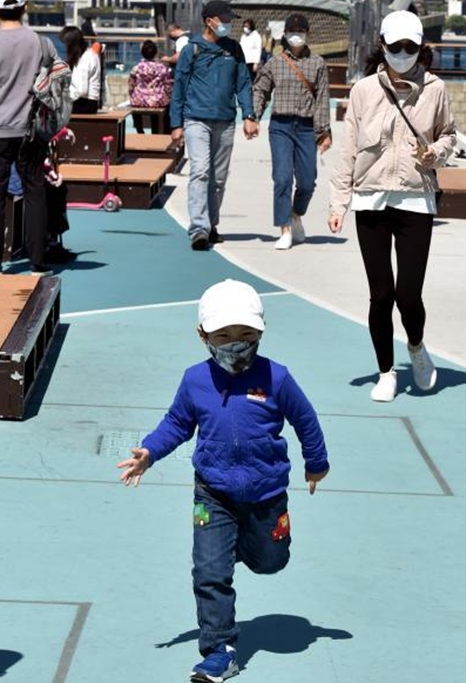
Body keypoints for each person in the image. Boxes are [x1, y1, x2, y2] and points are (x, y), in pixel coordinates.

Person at [117, 278, 329, 683]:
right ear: (203, 335)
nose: (236, 342)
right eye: (224, 335)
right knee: (209, 571)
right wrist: (149, 452)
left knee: (270, 561)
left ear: (261, 333)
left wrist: (316, 462)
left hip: (266, 494)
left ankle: (243, 544)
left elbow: (306, 420)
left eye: (247, 334)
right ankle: (219, 648)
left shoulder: (277, 378)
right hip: (212, 493)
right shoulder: (195, 380)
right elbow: (177, 423)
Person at [328, 10, 456, 402]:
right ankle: (386, 371)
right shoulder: (363, 90)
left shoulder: (435, 89)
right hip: (371, 199)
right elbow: (348, 150)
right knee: (380, 295)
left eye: (410, 47)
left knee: (408, 295)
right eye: (396, 46)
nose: (403, 53)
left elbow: (449, 135)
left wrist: (434, 153)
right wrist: (339, 202)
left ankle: (415, 346)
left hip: (416, 198)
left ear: (421, 49)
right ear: (382, 45)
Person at [0, 0, 58, 273]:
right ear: (25, 8)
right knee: (35, 190)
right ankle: (39, 260)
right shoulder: (42, 44)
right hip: (31, 130)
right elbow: (56, 80)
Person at [170, 0, 259, 250]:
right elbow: (180, 87)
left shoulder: (234, 49)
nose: (229, 24)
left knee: (218, 179)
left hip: (226, 121)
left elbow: (243, 83)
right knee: (200, 171)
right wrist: (176, 123)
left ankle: (210, 224)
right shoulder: (192, 50)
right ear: (210, 21)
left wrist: (249, 116)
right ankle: (198, 228)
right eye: (225, 20)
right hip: (196, 120)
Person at [253, 12, 332, 250]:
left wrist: (324, 131)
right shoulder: (275, 62)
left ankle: (297, 214)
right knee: (282, 178)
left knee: (308, 181)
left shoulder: (318, 63)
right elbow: (260, 89)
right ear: (285, 35)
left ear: (308, 34)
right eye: (292, 32)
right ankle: (284, 228)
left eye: (300, 32)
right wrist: (253, 116)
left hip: (307, 128)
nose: (296, 36)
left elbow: (322, 99)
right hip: (280, 126)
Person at [127, 39, 173, 133]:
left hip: (139, 100)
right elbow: (168, 86)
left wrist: (132, 94)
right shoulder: (162, 68)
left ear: (142, 53)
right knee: (161, 106)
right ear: (155, 53)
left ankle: (140, 131)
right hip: (157, 100)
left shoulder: (136, 68)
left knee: (134, 104)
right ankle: (155, 131)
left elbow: (131, 85)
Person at [60, 27, 102, 114]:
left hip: (85, 104)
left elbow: (81, 90)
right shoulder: (90, 54)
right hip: (89, 103)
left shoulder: (85, 59)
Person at [239, 17, 262, 83]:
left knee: (250, 80)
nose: (245, 28)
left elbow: (258, 50)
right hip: (243, 61)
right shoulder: (243, 36)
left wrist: (256, 63)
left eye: (247, 26)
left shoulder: (256, 36)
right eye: (244, 26)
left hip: (251, 62)